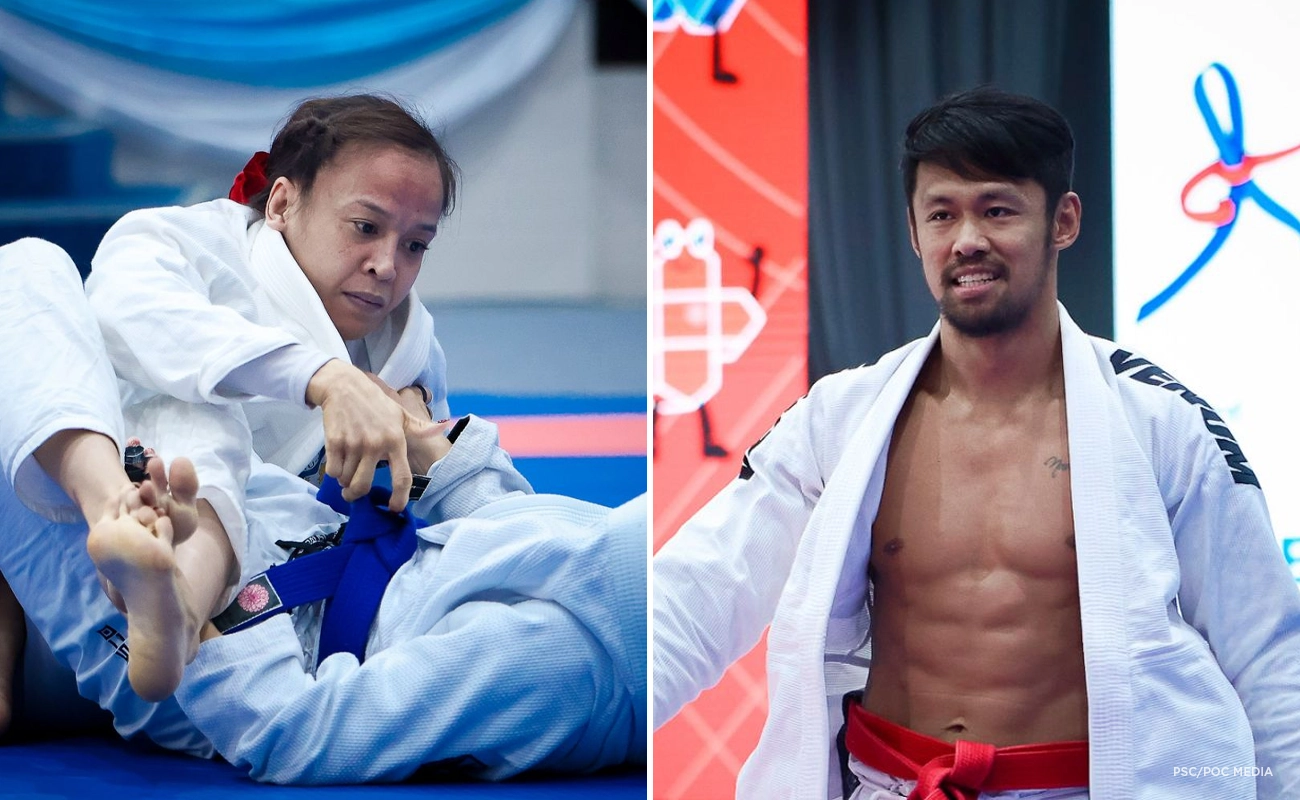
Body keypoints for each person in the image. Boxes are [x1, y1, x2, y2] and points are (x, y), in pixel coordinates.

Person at [653, 87, 1300, 800]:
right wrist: (596, 715)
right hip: (891, 785)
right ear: (914, 232)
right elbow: (701, 591)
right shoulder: (840, 418)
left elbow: (1269, 656)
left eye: (997, 210)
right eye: (942, 214)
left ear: (1063, 221)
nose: (967, 240)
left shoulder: (1161, 422)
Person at [0, 236, 646, 782]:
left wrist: (212, 628)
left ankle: (139, 550)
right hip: (272, 534)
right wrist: (430, 441)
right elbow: (500, 527)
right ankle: (115, 512)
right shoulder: (614, 567)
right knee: (168, 392)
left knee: (24, 270)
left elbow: (299, 730)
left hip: (225, 634)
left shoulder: (568, 669)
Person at [78, 94, 468, 702]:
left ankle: (179, 610)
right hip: (111, 550)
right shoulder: (176, 240)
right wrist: (322, 376)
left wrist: (434, 450)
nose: (387, 266)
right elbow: (130, 313)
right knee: (199, 408)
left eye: (415, 245)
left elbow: (443, 527)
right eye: (366, 227)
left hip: (269, 621)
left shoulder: (411, 353)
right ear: (282, 203)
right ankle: (178, 597)